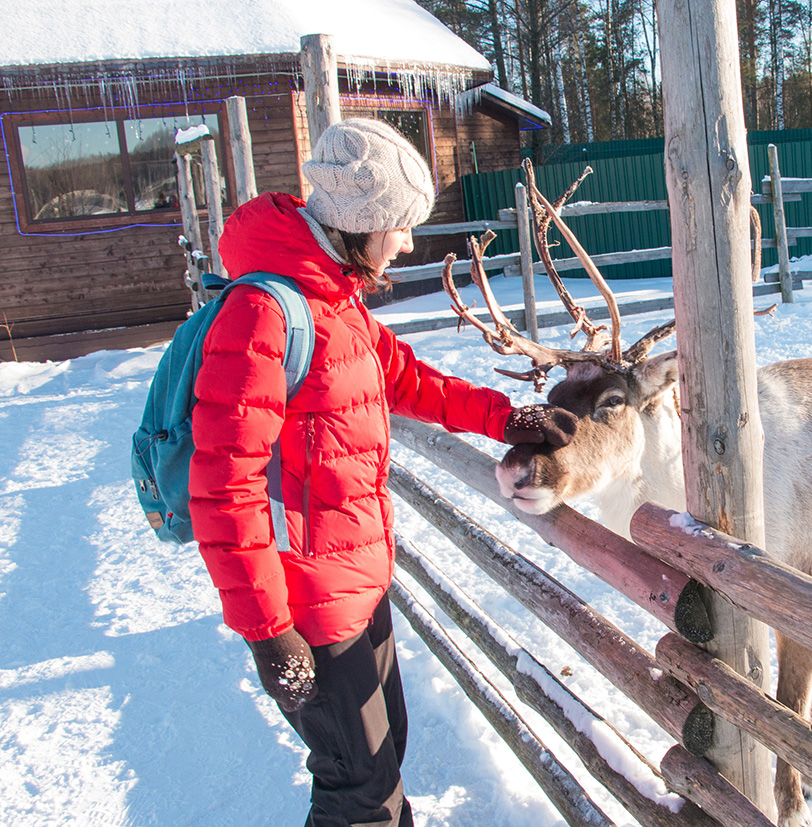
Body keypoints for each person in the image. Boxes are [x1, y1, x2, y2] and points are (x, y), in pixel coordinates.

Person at [188, 117, 577, 827]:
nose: (406, 242)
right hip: (307, 603)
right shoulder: (263, 313)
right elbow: (224, 483)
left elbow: (402, 378)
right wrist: (268, 628)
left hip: (357, 580)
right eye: (398, 225)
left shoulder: (333, 298)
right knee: (360, 794)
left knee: (379, 760)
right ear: (359, 222)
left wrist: (503, 418)